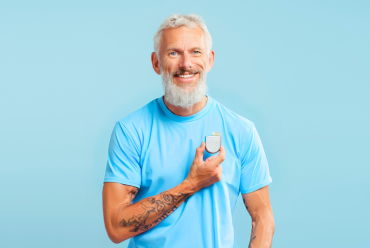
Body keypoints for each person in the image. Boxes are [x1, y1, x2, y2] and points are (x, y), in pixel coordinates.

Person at [102, 13, 275, 248]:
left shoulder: (241, 131)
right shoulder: (131, 131)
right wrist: (191, 184)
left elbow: (262, 218)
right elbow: (115, 227)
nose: (186, 64)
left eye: (196, 52)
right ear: (156, 63)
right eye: (174, 53)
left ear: (210, 60)